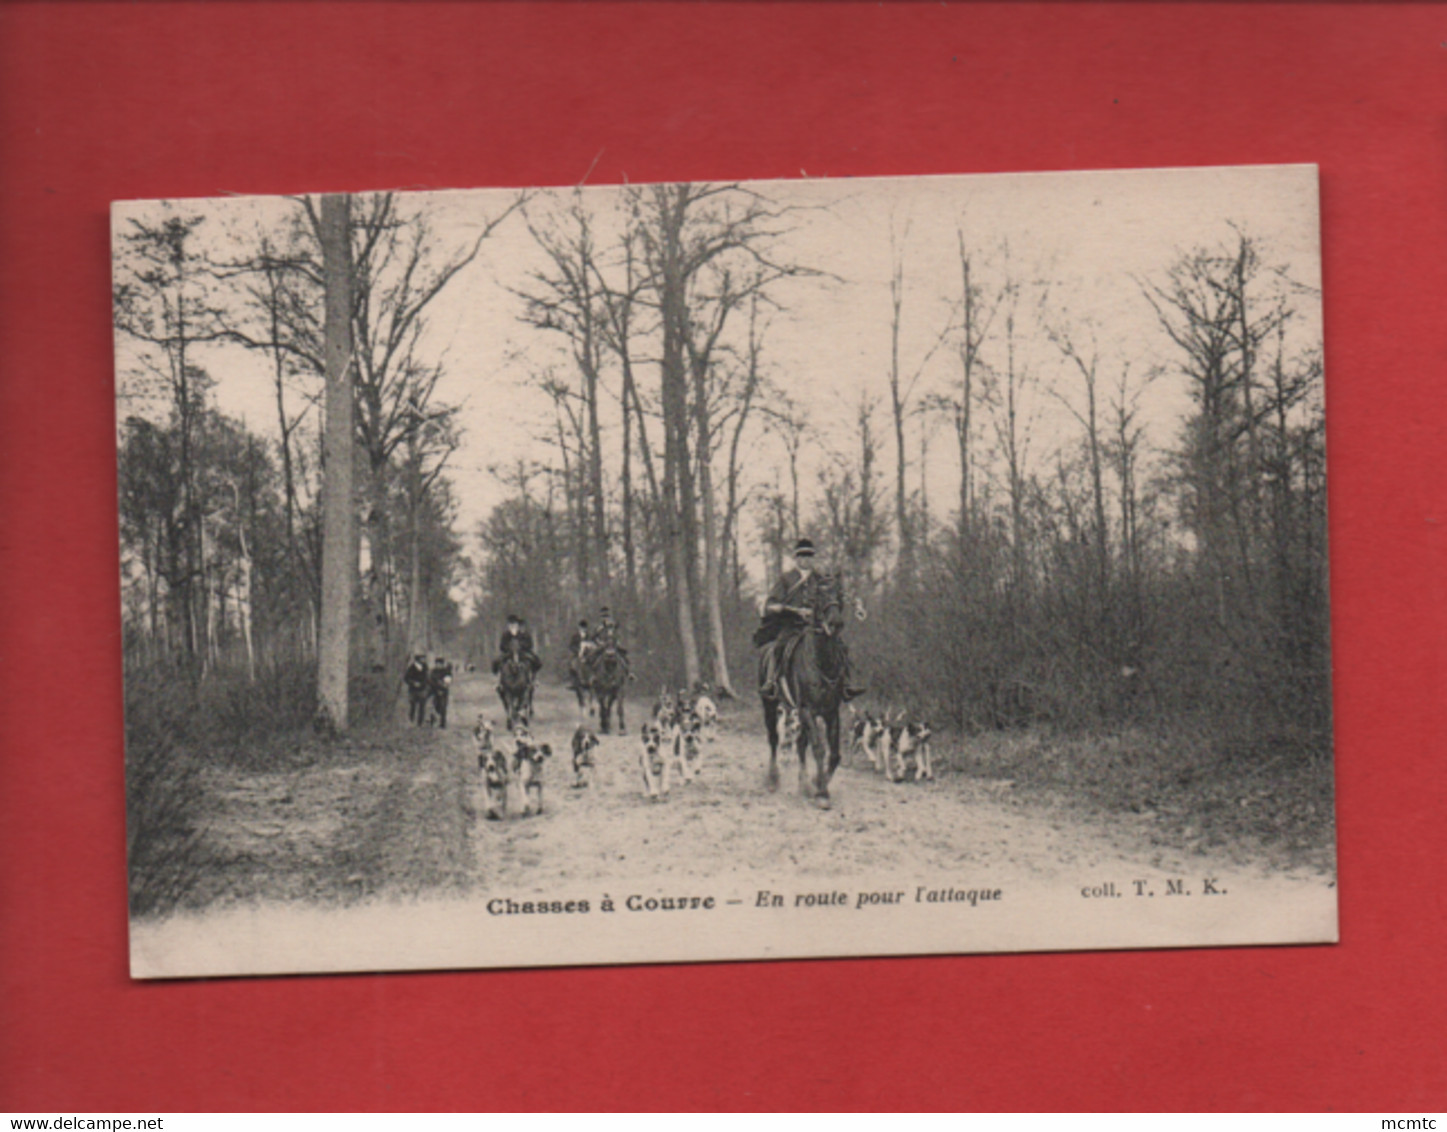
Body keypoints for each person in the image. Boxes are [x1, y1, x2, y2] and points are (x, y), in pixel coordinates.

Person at [757, 537, 864, 701]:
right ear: (796, 558)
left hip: (816, 627)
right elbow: (772, 604)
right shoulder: (786, 579)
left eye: (809, 556)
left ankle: (846, 685)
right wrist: (795, 610)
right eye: (802, 556)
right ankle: (771, 682)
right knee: (778, 647)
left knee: (840, 647)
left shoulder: (820, 578)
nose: (806, 559)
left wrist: (856, 604)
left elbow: (838, 595)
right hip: (792, 626)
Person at [404, 653, 430, 726]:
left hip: (422, 689)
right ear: (418, 660)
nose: (424, 660)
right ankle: (411, 721)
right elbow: (406, 678)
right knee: (413, 706)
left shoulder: (425, 667)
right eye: (422, 658)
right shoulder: (411, 668)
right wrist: (413, 683)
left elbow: (427, 677)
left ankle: (420, 723)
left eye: (424, 658)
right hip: (413, 690)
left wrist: (426, 685)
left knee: (422, 706)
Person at [429, 655, 454, 728]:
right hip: (434, 691)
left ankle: (443, 723)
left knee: (443, 707)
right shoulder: (433, 671)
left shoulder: (446, 671)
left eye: (440, 664)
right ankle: (433, 719)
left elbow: (448, 681)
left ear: (442, 664)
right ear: (435, 664)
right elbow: (430, 681)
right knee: (436, 706)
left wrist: (444, 686)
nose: (439, 665)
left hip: (443, 692)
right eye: (437, 664)